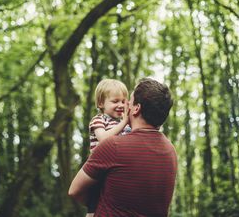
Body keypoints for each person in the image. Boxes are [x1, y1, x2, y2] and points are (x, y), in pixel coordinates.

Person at [69, 78, 177, 217]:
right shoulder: (170, 150)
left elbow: (74, 191)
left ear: (136, 108)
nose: (124, 105)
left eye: (128, 101)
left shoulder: (114, 145)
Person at [86, 78, 131, 216]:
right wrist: (123, 123)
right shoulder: (99, 120)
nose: (121, 105)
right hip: (99, 169)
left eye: (123, 101)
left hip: (116, 170)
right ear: (101, 103)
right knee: (93, 207)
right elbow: (104, 139)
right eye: (115, 101)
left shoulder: (125, 124)